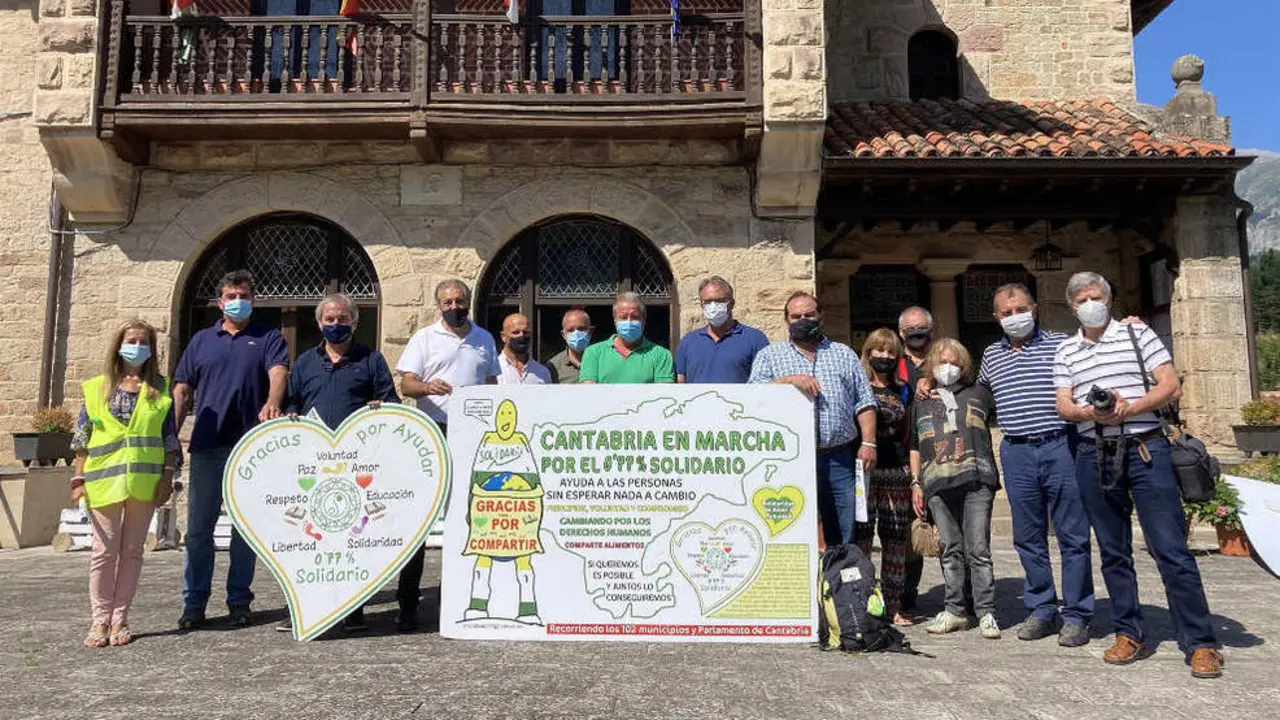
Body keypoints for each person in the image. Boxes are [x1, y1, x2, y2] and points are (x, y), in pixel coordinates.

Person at [1054, 271, 1222, 679]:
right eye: (1081, 300)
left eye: (1095, 297)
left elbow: (1170, 385)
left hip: (1145, 448)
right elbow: (1063, 405)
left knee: (1170, 548)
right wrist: (1089, 412)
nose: (1089, 305)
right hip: (1094, 452)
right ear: (1072, 307)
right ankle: (1129, 632)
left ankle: (1201, 642)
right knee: (1113, 550)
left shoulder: (1138, 334)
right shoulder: (1066, 350)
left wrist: (1130, 407)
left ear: (1109, 299)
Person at [174, 270, 289, 630]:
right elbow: (182, 390)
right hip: (208, 446)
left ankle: (239, 601)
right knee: (198, 531)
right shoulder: (201, 341)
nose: (237, 302)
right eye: (230, 296)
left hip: (251, 449)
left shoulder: (269, 337)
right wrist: (169, 439)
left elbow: (279, 372)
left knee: (245, 530)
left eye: (243, 296)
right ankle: (194, 604)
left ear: (253, 300)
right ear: (219, 302)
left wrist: (273, 402)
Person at [277, 294, 399, 634]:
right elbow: (291, 401)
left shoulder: (371, 360)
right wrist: (291, 415)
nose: (336, 324)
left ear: (354, 323)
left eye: (342, 319)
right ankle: (304, 608)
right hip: (313, 467)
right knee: (308, 538)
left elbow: (391, 402)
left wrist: (380, 408)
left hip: (356, 468)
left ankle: (353, 609)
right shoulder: (305, 362)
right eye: (329, 319)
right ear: (319, 324)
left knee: (355, 538)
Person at [980, 283, 1093, 646]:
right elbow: (977, 393)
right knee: (1028, 536)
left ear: (1035, 309)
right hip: (1017, 451)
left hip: (1061, 445)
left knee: (1072, 534)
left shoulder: (1062, 344)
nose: (1015, 317)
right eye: (1006, 313)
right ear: (996, 317)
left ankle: (1076, 614)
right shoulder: (990, 355)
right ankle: (1042, 608)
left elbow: (1096, 357)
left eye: (1020, 309)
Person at [396, 278, 499, 630]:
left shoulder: (484, 339)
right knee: (421, 519)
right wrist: (427, 386)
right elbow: (406, 384)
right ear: (439, 305)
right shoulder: (424, 338)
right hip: (434, 431)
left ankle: (453, 599)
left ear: (468, 302)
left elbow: (491, 385)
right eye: (447, 302)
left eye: (459, 301)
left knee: (466, 517)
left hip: (471, 435)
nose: (454, 307)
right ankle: (407, 603)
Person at [71, 320, 181, 647]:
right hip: (102, 480)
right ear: (118, 345)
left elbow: (169, 438)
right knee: (103, 552)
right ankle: (100, 619)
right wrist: (77, 479)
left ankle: (120, 618)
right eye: (131, 340)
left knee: (132, 552)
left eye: (144, 342)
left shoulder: (161, 388)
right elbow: (82, 437)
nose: (137, 347)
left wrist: (167, 477)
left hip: (144, 482)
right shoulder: (98, 387)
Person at [749, 291, 877, 547]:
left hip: (838, 457)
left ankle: (838, 571)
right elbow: (753, 396)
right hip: (789, 459)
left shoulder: (844, 354)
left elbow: (864, 401)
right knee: (790, 527)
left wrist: (869, 442)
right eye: (796, 316)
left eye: (809, 315)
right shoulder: (769, 356)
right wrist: (788, 381)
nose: (803, 321)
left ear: (821, 317)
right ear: (786, 320)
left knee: (842, 528)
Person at [909, 337, 1001, 639]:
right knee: (950, 549)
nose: (947, 368)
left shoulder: (979, 393)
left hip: (976, 480)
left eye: (954, 362)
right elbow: (915, 445)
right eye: (942, 362)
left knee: (978, 549)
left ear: (964, 365)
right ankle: (955, 610)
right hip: (936, 481)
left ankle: (986, 611)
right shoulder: (921, 399)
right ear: (932, 365)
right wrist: (916, 482)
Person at [856, 328, 914, 626]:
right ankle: (864, 602)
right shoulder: (858, 386)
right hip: (863, 471)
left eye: (891, 352)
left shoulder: (904, 390)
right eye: (879, 350)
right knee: (862, 539)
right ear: (869, 352)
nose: (885, 356)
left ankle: (893, 604)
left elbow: (909, 433)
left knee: (895, 541)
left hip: (896, 471)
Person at [896, 305, 933, 610]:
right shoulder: (893, 364)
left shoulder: (943, 361)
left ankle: (962, 595)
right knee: (910, 529)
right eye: (910, 329)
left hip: (940, 453)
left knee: (948, 527)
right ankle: (907, 592)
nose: (916, 332)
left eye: (921, 327)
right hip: (903, 454)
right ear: (901, 333)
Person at [676, 276, 768, 384]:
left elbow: (765, 382)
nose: (713, 306)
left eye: (719, 300)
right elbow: (681, 382)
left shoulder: (755, 339)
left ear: (732, 303)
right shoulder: (688, 341)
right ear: (701, 305)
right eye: (708, 301)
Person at [579, 292, 675, 384]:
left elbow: (663, 392)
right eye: (623, 317)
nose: (629, 322)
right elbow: (589, 391)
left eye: (635, 317)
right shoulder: (593, 353)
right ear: (615, 320)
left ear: (644, 320)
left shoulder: (661, 355)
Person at [497, 313, 552, 385]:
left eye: (526, 332)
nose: (521, 336)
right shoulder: (492, 370)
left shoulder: (542, 372)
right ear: (503, 336)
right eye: (516, 332)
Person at [546, 309, 593, 384]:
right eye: (571, 330)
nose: (576, 333)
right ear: (563, 335)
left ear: (590, 331)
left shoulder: (603, 360)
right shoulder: (554, 367)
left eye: (581, 329)